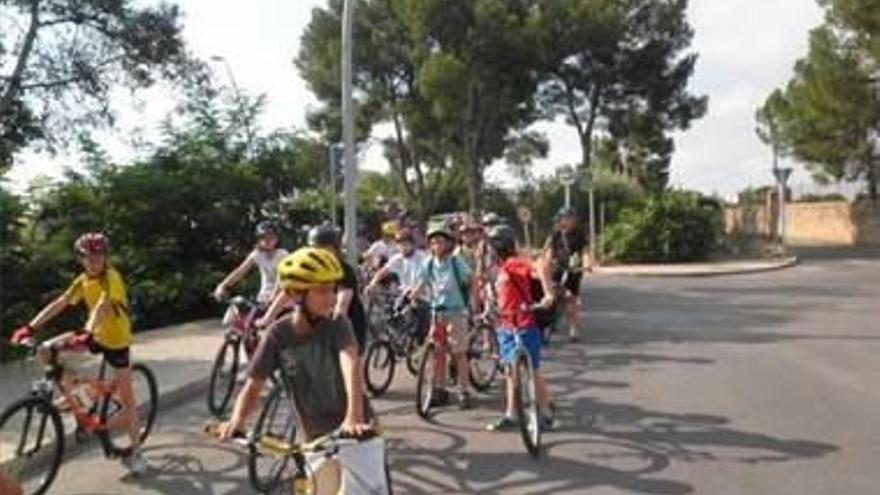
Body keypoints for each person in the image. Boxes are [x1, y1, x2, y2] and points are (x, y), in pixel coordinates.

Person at [217, 247, 390, 494]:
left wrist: (354, 416)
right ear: (296, 295)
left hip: (357, 432)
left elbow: (350, 364)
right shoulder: (278, 334)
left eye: (332, 289)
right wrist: (237, 420)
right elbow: (254, 384)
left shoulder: (338, 323)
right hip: (314, 437)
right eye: (322, 291)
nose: (331, 298)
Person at [10, 232, 147, 474]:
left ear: (105, 256)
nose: (93, 260)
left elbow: (103, 306)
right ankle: (81, 393)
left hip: (116, 342)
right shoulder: (83, 280)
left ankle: (137, 453)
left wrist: (87, 330)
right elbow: (60, 303)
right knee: (45, 350)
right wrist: (30, 327)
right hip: (94, 335)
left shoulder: (111, 278)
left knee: (130, 404)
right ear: (81, 258)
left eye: (98, 255)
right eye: (88, 256)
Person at [484, 224, 558, 432]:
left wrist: (547, 294)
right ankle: (511, 414)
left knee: (532, 370)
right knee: (510, 371)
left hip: (524, 323)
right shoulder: (498, 269)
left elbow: (539, 268)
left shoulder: (514, 263)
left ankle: (544, 410)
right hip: (505, 325)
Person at [405, 221, 475, 409]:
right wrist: (412, 294)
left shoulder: (455, 261)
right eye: (433, 242)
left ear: (448, 243)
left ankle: (464, 391)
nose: (437, 245)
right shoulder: (428, 263)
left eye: (440, 241)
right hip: (437, 313)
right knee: (437, 353)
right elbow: (421, 284)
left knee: (459, 353)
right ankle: (440, 390)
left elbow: (470, 279)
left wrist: (472, 303)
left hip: (456, 312)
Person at [541, 207, 591, 342]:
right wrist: (547, 262)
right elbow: (548, 251)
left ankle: (573, 328)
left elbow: (585, 251)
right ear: (560, 219)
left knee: (571, 299)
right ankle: (547, 324)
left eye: (571, 217)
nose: (568, 220)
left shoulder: (579, 234)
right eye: (565, 217)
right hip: (557, 268)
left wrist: (587, 264)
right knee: (552, 294)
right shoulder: (555, 233)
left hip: (573, 270)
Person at [213, 221, 288, 306]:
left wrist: (273, 297)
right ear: (258, 239)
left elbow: (281, 278)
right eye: (262, 237)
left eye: (270, 236)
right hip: (263, 299)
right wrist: (223, 285)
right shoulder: (257, 254)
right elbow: (240, 272)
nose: (267, 240)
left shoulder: (282, 254)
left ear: (276, 238)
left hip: (282, 301)